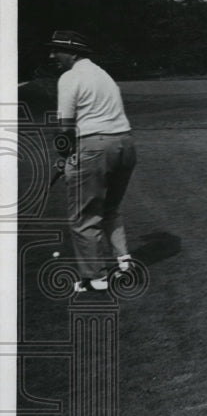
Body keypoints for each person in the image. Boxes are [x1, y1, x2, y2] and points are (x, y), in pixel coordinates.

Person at [50, 30, 137, 293]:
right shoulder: (103, 74)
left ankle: (94, 278)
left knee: (83, 216)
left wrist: (64, 159)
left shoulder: (69, 77)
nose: (52, 55)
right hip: (126, 144)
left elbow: (65, 128)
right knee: (110, 207)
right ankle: (123, 261)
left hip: (95, 147)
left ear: (73, 52)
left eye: (57, 50)